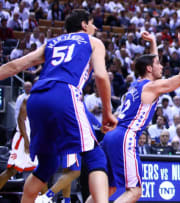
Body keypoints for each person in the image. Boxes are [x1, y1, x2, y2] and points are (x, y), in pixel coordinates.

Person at [0, 9, 118, 203]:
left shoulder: (51, 43)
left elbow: (15, 66)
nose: (95, 27)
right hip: (64, 93)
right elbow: (101, 76)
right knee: (95, 156)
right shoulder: (93, 42)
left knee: (47, 164)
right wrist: (107, 112)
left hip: (36, 98)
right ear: (84, 25)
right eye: (92, 23)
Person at [98, 30, 180, 203]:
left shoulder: (137, 84)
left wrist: (153, 41)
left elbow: (152, 60)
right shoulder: (151, 87)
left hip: (112, 136)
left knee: (108, 189)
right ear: (149, 68)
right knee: (134, 191)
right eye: (158, 64)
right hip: (125, 136)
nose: (162, 66)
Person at [0, 97, 38, 190]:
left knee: (40, 172)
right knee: (12, 171)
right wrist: (26, 141)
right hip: (23, 139)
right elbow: (21, 119)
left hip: (36, 139)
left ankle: (46, 199)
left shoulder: (49, 100)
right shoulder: (29, 99)